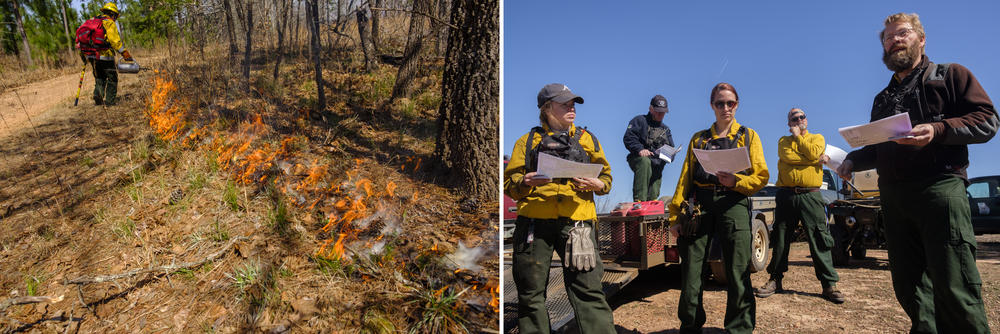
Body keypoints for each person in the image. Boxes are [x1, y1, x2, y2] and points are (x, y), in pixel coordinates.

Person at [836, 13, 996, 333]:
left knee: (954, 283)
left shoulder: (950, 76)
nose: (894, 40)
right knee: (909, 285)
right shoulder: (882, 99)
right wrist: (852, 159)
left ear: (921, 39)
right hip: (894, 198)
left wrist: (938, 130)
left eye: (902, 34)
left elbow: (987, 121)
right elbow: (878, 147)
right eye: (887, 37)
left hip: (940, 189)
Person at [503, 83, 615, 333]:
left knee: (589, 292)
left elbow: (606, 179)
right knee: (530, 296)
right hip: (534, 223)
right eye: (564, 103)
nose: (571, 107)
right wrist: (525, 181)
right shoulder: (527, 141)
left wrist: (597, 184)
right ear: (546, 108)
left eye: (573, 103)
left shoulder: (588, 140)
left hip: (578, 223)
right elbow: (509, 185)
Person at [667, 83, 768, 334]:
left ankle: (739, 328)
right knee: (692, 269)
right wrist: (675, 217)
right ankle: (690, 326)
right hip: (700, 205)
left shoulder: (749, 136)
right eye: (720, 103)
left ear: (737, 105)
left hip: (733, 201)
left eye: (730, 103)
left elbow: (762, 175)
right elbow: (685, 179)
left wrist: (737, 181)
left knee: (737, 269)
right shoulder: (699, 139)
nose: (725, 108)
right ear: (712, 106)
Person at [754, 108, 845, 303]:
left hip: (811, 196)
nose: (798, 120)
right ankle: (775, 280)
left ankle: (829, 284)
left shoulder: (818, 139)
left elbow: (812, 152)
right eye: (794, 119)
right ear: (789, 124)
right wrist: (812, 159)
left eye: (801, 117)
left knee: (820, 238)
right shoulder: (783, 142)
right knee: (780, 238)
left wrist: (803, 145)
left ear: (806, 120)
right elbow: (790, 157)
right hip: (786, 195)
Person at [624, 94, 675, 202]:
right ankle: (640, 200)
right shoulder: (639, 120)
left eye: (663, 112)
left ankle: (652, 200)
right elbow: (629, 138)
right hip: (638, 158)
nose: (661, 114)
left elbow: (671, 149)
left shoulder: (666, 129)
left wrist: (669, 154)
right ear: (651, 109)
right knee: (645, 162)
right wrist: (640, 149)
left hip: (656, 161)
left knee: (658, 165)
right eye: (658, 111)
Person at [82, 2, 133, 106]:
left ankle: (98, 95)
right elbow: (115, 41)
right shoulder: (109, 23)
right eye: (115, 17)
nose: (115, 19)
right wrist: (125, 53)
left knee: (99, 76)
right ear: (112, 14)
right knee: (112, 77)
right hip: (105, 55)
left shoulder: (93, 20)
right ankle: (110, 102)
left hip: (92, 55)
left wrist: (84, 56)